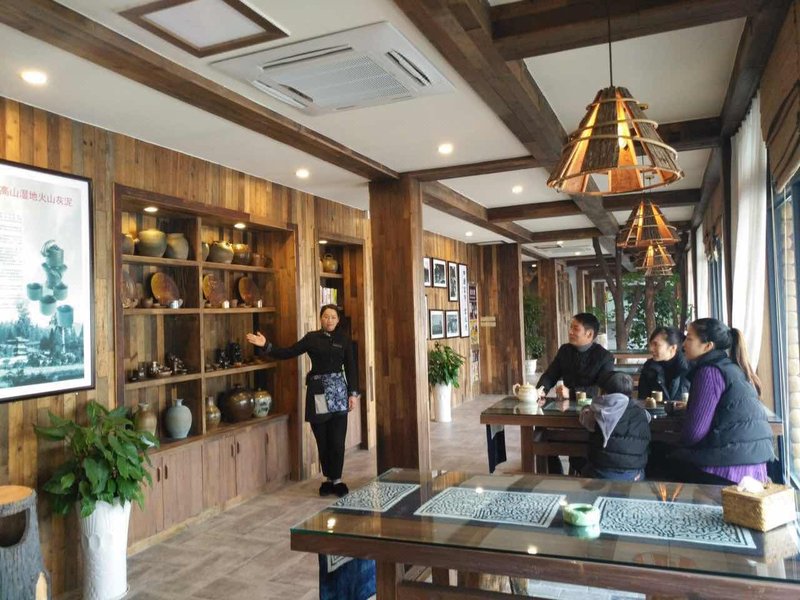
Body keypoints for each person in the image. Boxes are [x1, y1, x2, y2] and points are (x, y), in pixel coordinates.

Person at [246, 304, 359, 497]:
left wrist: (353, 393)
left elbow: (351, 367)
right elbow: (288, 352)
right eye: (326, 316)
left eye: (333, 317)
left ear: (338, 320)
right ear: (320, 318)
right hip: (318, 393)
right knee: (322, 438)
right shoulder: (312, 338)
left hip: (339, 393)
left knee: (337, 440)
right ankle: (328, 479)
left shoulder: (344, 340)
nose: (329, 320)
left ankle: (337, 480)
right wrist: (266, 345)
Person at [672, 318, 773, 484]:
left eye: (689, 339)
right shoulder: (732, 367)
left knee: (662, 459)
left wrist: (675, 442)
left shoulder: (709, 372)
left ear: (708, 346)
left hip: (729, 468)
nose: (683, 345)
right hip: (754, 464)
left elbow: (694, 433)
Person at [579, 372, 650, 481]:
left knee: (582, 465)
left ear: (605, 391)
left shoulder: (599, 409)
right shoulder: (641, 412)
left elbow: (585, 418)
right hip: (634, 475)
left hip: (601, 474)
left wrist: (586, 408)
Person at [536, 313, 614, 404]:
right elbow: (550, 375)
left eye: (575, 329)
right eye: (571, 327)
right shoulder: (565, 350)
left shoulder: (605, 357)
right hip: (567, 405)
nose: (570, 332)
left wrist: (571, 393)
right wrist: (540, 391)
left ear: (589, 334)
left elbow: (601, 389)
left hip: (593, 407)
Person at [638, 326, 690, 401]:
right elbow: (642, 399)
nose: (651, 349)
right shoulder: (648, 368)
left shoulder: (689, 368)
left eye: (656, 344)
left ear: (673, 348)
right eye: (651, 344)